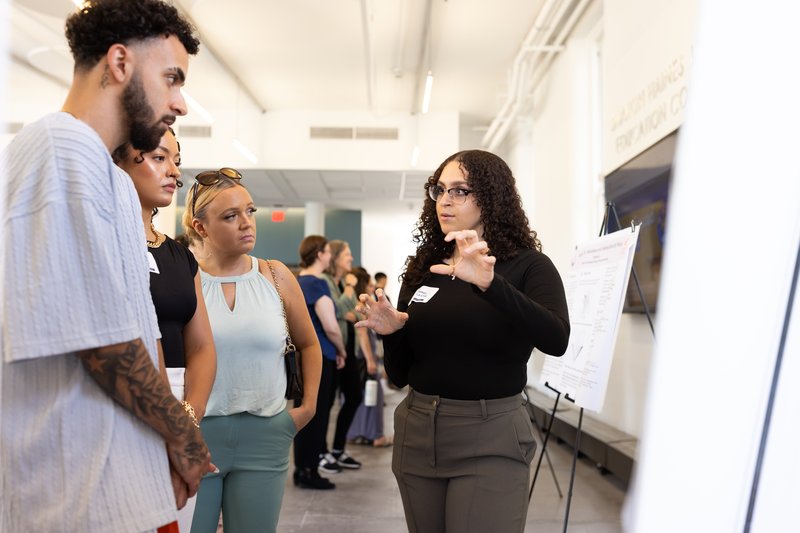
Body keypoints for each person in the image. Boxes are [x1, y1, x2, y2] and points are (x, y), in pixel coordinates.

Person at [0, 2, 213, 531]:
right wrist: (182, 435)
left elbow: (136, 332)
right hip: (71, 491)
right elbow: (101, 343)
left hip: (119, 482)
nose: (180, 103)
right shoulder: (60, 148)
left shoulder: (110, 176)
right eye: (171, 79)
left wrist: (168, 439)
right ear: (119, 63)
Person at [356, 149, 570, 533]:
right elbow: (401, 375)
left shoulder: (527, 266)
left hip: (490, 436)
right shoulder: (425, 268)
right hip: (418, 431)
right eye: (439, 190)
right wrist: (393, 333)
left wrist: (490, 285)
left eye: (460, 190)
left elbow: (556, 339)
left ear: (491, 197)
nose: (445, 200)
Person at [181, 169, 322, 532]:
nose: (247, 223)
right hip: (198, 433)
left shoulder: (275, 276)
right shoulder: (184, 281)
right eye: (231, 216)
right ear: (201, 227)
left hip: (266, 433)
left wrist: (306, 410)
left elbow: (308, 344)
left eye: (250, 211)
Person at [114, 127, 217, 532]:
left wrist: (187, 419)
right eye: (160, 157)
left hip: (181, 404)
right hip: (124, 401)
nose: (174, 170)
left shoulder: (178, 254)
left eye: (177, 159)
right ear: (119, 161)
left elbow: (203, 347)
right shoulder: (105, 243)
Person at [293, 235, 348, 489]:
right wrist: (341, 350)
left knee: (302, 415)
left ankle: (301, 469)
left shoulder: (296, 281)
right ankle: (310, 472)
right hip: (321, 357)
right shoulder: (317, 284)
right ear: (320, 255)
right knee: (318, 414)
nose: (329, 256)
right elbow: (331, 326)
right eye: (327, 251)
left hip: (300, 359)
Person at [320, 240, 363, 473]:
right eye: (347, 254)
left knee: (354, 396)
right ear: (335, 257)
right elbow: (336, 310)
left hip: (347, 349)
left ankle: (337, 449)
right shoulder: (327, 282)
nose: (351, 258)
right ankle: (322, 451)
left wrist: (345, 309)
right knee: (326, 405)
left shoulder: (343, 284)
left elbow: (355, 313)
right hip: (331, 351)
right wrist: (348, 289)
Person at [346, 268, 391, 447]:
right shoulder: (361, 305)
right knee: (374, 395)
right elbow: (363, 334)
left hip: (356, 358)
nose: (373, 287)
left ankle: (357, 431)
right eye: (370, 284)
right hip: (364, 358)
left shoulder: (351, 304)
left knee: (358, 395)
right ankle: (376, 435)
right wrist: (371, 360)